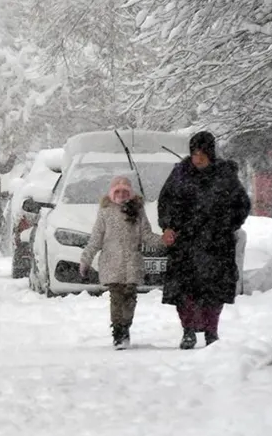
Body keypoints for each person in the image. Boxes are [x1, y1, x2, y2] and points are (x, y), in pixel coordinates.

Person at [158, 131, 251, 350]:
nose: (197, 158)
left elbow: (242, 204)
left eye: (201, 154)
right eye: (194, 153)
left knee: (213, 290)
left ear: (210, 153)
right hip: (185, 243)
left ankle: (211, 332)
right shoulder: (180, 174)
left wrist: (228, 225)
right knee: (185, 291)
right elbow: (165, 202)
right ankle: (188, 331)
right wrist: (168, 226)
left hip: (216, 243)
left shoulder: (224, 175)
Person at [79, 175, 163, 349]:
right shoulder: (106, 211)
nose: (122, 195)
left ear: (130, 194)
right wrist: (85, 260)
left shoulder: (138, 211)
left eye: (125, 192)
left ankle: (126, 327)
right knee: (116, 298)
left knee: (130, 298)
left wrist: (163, 241)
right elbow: (96, 238)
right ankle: (118, 332)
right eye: (118, 191)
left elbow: (146, 235)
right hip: (112, 263)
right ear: (111, 193)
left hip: (132, 263)